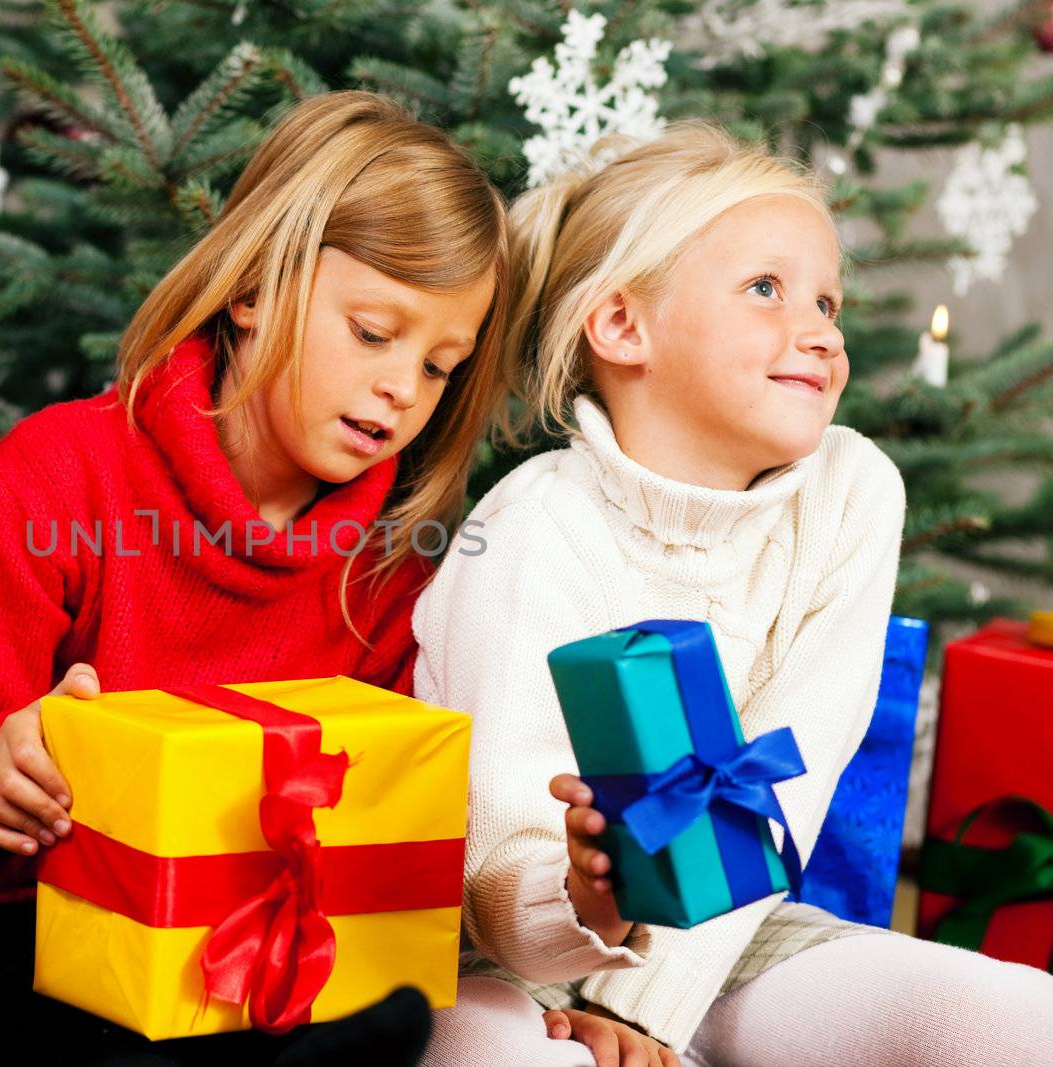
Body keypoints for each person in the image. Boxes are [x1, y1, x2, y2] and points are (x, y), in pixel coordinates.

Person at [413, 120, 1053, 1067]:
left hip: (732, 937)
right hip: (511, 954)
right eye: (767, 290)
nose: (823, 333)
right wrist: (595, 900)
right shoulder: (532, 526)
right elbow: (494, 869)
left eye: (828, 301)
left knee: (1015, 1018)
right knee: (503, 1058)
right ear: (624, 325)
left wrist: (648, 1012)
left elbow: (784, 787)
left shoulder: (851, 493)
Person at [0, 90, 510, 1065]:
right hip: (45, 943)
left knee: (392, 1015)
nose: (403, 389)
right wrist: (3, 763)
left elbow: (382, 811)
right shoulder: (58, 473)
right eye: (373, 332)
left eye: (441, 364)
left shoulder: (399, 560)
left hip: (273, 955)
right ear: (253, 291)